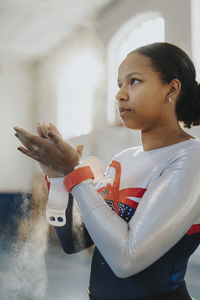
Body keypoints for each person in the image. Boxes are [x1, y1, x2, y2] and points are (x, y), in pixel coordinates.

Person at [14, 42, 200, 300]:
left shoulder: (191, 157)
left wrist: (75, 175)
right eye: (119, 85)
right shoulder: (123, 159)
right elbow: (75, 241)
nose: (120, 95)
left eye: (134, 82)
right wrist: (57, 178)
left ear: (172, 89)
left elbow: (126, 260)